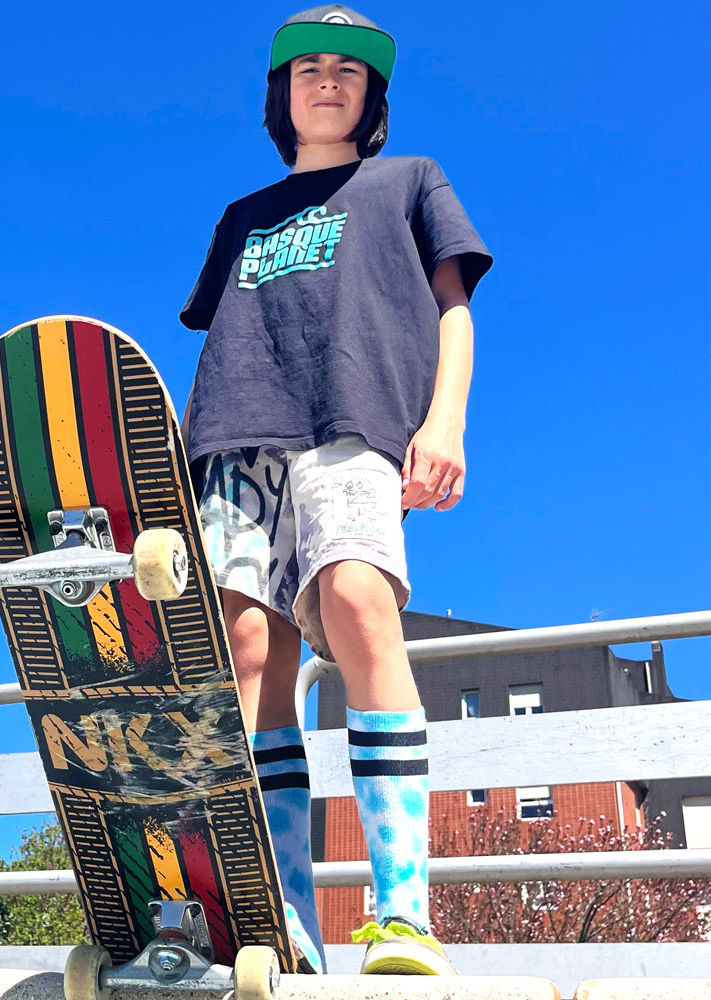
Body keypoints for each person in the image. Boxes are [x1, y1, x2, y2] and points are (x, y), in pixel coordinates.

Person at [178, 3, 492, 977]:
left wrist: (444, 424)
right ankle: (281, 920)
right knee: (247, 649)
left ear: (370, 98)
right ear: (282, 94)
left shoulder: (409, 180)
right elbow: (224, 343)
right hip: (235, 440)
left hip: (353, 425)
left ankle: (402, 914)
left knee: (359, 602)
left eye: (348, 70)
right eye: (309, 66)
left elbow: (453, 309)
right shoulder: (242, 217)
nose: (327, 79)